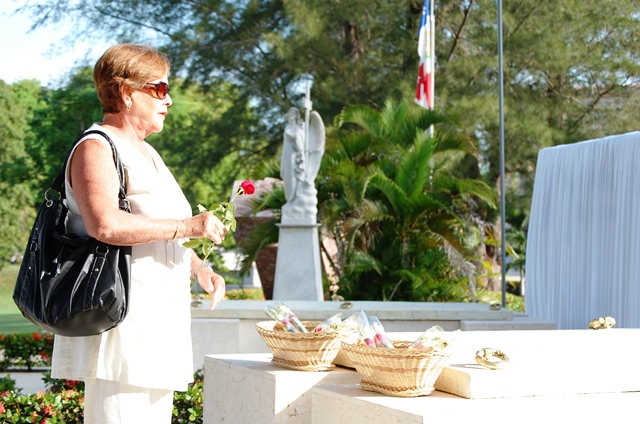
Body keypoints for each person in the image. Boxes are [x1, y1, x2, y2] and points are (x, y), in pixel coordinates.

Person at [50, 43, 227, 423]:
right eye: (160, 89)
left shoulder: (148, 153)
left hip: (158, 324)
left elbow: (155, 232)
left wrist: (199, 269)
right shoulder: (97, 146)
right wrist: (189, 226)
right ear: (126, 92)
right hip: (120, 324)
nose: (169, 100)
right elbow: (105, 224)